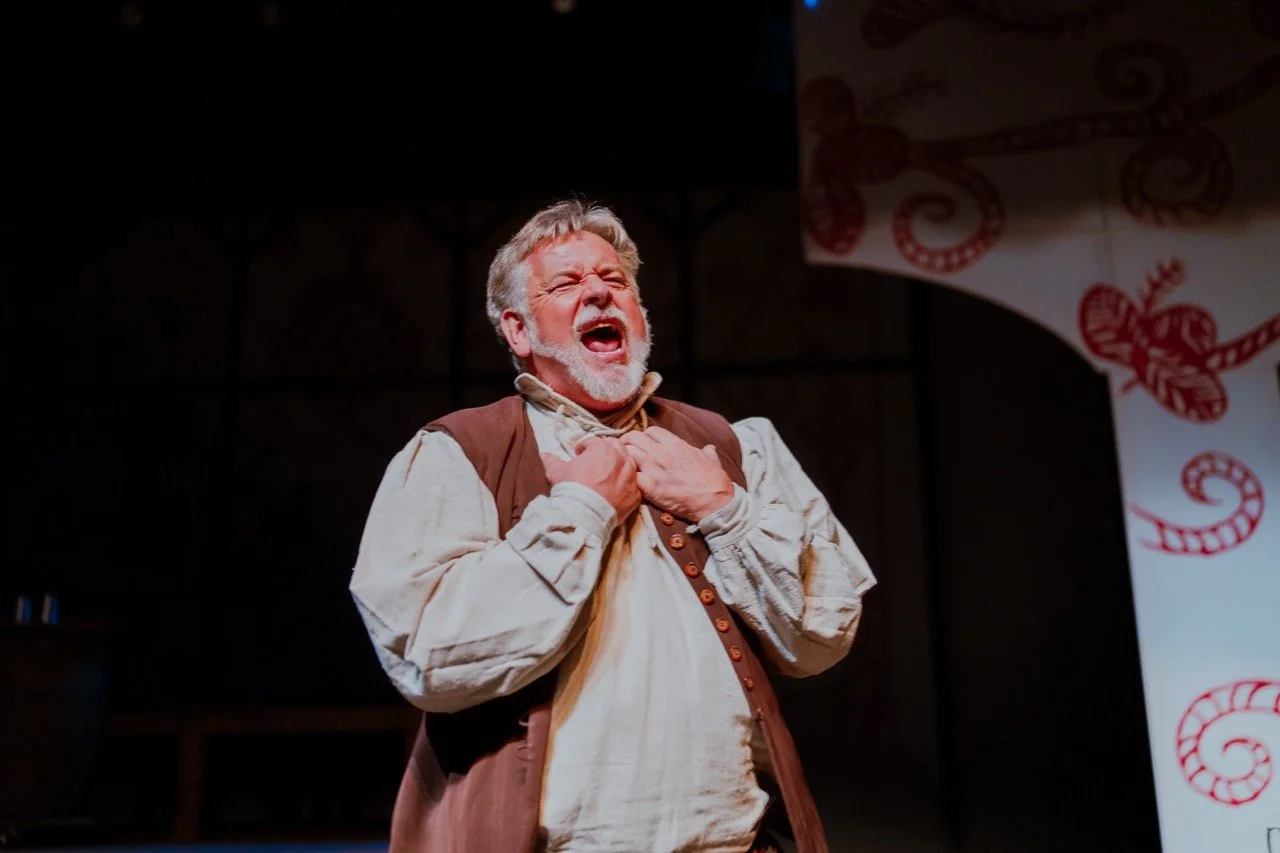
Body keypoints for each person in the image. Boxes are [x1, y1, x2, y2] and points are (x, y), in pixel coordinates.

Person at [350, 200, 876, 853]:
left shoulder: (731, 447)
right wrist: (582, 511)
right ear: (518, 329)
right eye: (566, 284)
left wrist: (723, 504)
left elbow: (821, 635)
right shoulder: (459, 453)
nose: (599, 290)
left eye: (615, 280)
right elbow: (427, 655)